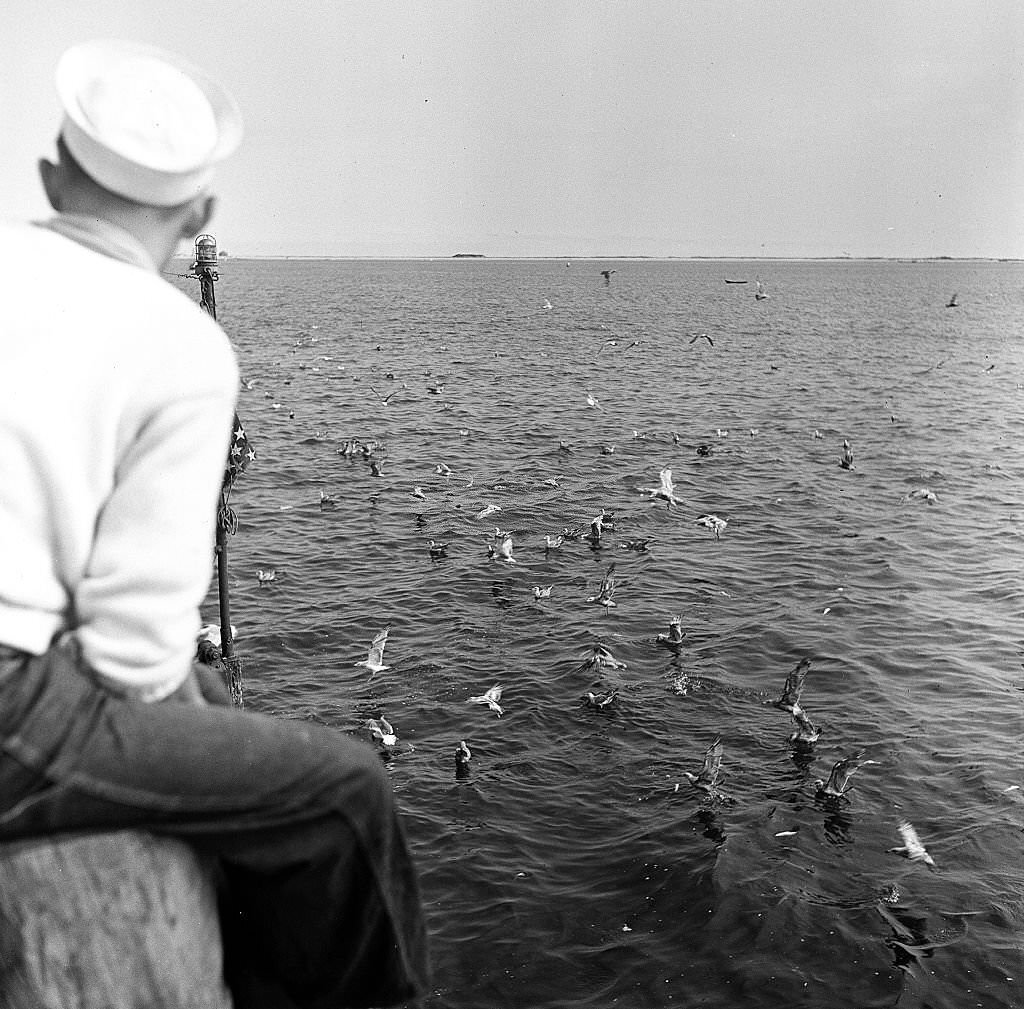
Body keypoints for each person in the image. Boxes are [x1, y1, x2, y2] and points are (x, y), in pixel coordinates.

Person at [0, 39, 428, 1008]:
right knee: (344, 793)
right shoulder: (180, 345)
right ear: (199, 216)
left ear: (49, 177)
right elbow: (135, 657)